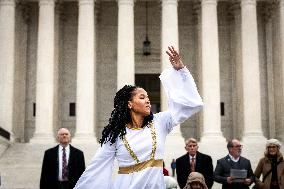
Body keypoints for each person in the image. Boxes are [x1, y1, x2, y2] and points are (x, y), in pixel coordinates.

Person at [74, 46, 203, 189]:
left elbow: (190, 105)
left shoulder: (160, 122)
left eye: (148, 97)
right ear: (129, 104)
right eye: (142, 97)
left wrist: (181, 72)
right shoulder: (115, 134)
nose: (148, 100)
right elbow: (97, 167)